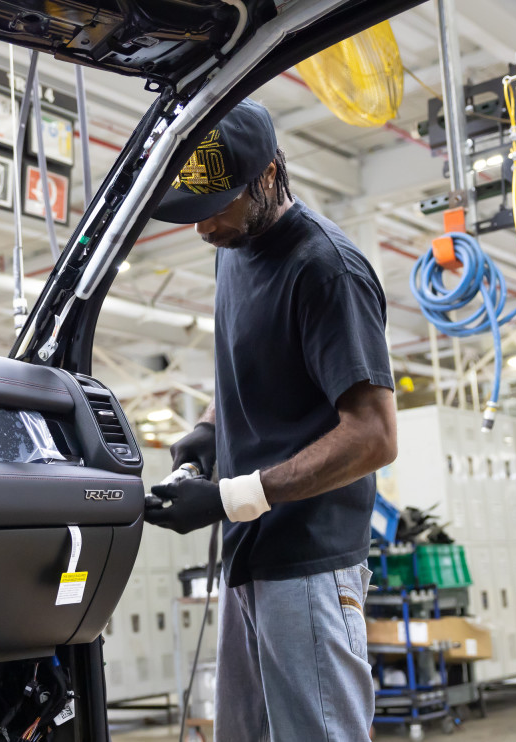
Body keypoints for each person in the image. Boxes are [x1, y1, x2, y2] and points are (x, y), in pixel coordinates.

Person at [144, 98, 397, 741]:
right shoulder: (232, 246)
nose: (204, 227)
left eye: (216, 206)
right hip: (250, 556)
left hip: (309, 564)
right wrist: (210, 428)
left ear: (269, 176)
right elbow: (255, 367)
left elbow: (373, 435)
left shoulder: (326, 269)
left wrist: (230, 497)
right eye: (193, 211)